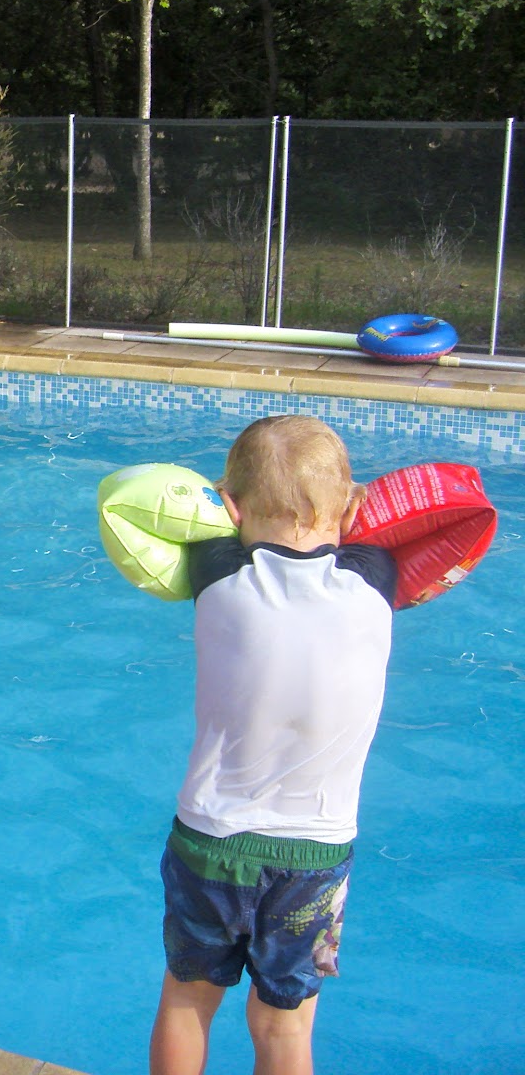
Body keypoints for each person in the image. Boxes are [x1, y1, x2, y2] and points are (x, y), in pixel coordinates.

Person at [149, 416, 398, 1075]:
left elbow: (206, 531)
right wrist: (347, 506)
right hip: (314, 857)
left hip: (210, 841)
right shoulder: (375, 582)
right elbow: (366, 542)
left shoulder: (218, 577)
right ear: (350, 511)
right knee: (285, 1027)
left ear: (231, 508)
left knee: (187, 1000)